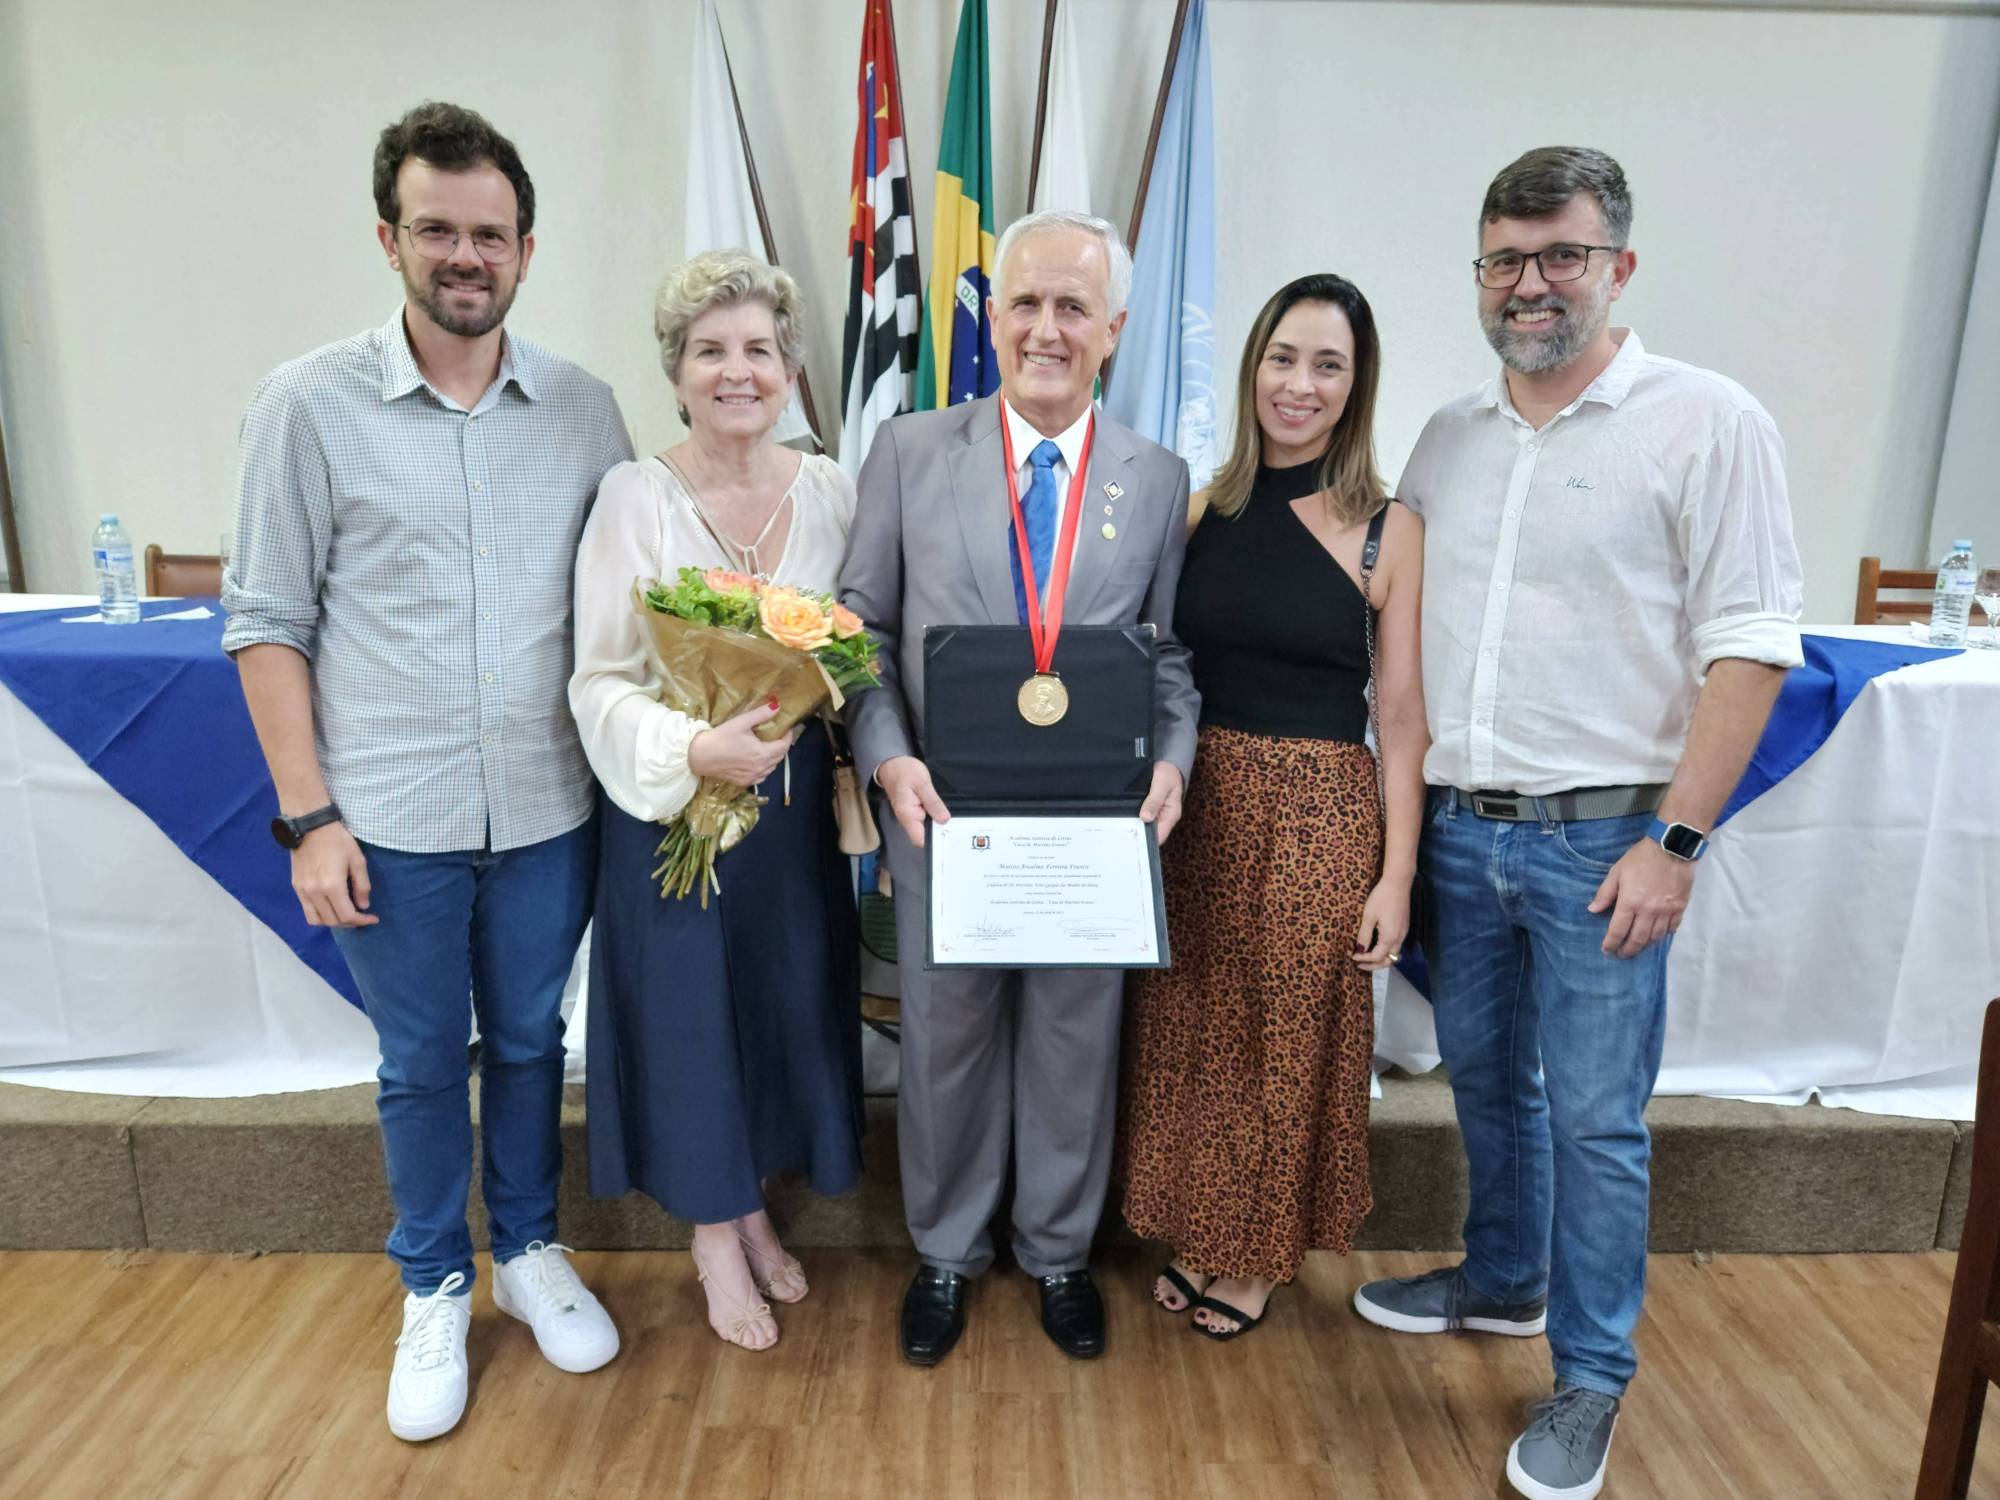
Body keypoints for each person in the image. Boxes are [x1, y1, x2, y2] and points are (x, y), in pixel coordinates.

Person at [1351, 147, 1802, 1500]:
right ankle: (1500, 1282)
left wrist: (1675, 844)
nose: (1532, 283)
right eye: (1507, 258)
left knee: (1599, 1123)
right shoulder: (1447, 440)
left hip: (1610, 847)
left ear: (1619, 266)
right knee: (1486, 1088)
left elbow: (1750, 652)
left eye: (1562, 256)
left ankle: (1591, 1378)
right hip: (1469, 834)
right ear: (1479, 273)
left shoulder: (1709, 422)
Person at [222, 102, 629, 1442]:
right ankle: (435, 1284)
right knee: (415, 1060)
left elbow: (639, 594)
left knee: (526, 1040)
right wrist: (309, 817)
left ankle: (526, 1251)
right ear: (390, 237)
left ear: (527, 249)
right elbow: (265, 623)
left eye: (491, 233)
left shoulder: (583, 409)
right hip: (384, 817)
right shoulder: (306, 405)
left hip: (549, 809)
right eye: (439, 229)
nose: (467, 254)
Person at [838, 208, 1199, 1368]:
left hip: (1089, 832)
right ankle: (945, 1252)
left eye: (1072, 308)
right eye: (1025, 305)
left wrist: (1172, 763)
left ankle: (1055, 1255)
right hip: (939, 816)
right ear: (992, 320)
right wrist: (885, 755)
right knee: (941, 1042)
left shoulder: (1155, 477)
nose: (1046, 329)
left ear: (1114, 328)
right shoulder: (906, 449)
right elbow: (859, 631)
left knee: (1071, 1042)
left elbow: (1169, 653)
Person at [1116, 274, 1424, 1340]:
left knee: (1281, 1039)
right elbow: (1153, 665)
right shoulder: (1200, 508)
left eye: (1326, 365)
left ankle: (1250, 1255)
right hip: (1195, 803)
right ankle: (1192, 1228)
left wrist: (1394, 877)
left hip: (1318, 812)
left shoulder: (1386, 530)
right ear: (1252, 367)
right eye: (1282, 358)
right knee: (1188, 1028)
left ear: (1354, 387)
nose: (1299, 384)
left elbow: (1399, 713)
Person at [569, 249, 864, 1353]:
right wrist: (695, 747)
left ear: (788, 369)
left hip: (786, 820)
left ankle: (749, 1205)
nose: (735, 371)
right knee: (693, 1026)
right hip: (673, 811)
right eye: (709, 352)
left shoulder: (831, 488)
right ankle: (710, 1236)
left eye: (756, 349)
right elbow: (597, 677)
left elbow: (857, 642)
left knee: (778, 1012)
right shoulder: (633, 498)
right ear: (677, 371)